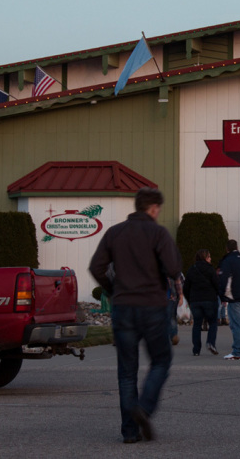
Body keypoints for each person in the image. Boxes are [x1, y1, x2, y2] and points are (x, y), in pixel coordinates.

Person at [89, 187, 182, 444]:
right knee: (161, 360)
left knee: (127, 371)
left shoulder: (114, 232)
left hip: (123, 307)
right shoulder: (158, 233)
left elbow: (96, 267)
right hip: (152, 306)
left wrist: (113, 289)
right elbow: (173, 268)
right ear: (153, 208)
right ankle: (144, 408)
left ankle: (130, 431)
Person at [217, 239, 240, 360]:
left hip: (235, 297)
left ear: (227, 249)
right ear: (237, 247)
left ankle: (238, 352)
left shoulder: (228, 262)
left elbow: (224, 280)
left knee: (236, 325)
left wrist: (222, 296)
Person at [183, 249, 219, 356]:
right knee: (213, 323)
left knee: (197, 325)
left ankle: (196, 350)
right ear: (206, 258)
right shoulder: (210, 269)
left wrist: (189, 300)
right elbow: (217, 284)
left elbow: (186, 287)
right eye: (209, 257)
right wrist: (220, 296)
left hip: (195, 301)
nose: (210, 259)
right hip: (209, 300)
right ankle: (210, 342)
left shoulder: (191, 269)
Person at [166, 273, 183, 345]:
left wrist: (180, 296)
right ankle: (173, 335)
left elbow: (178, 284)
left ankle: (173, 335)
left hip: (170, 298)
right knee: (171, 317)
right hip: (169, 297)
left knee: (170, 317)